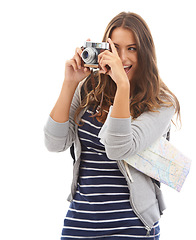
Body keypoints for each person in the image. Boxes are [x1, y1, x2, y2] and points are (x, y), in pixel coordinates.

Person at [44, 12, 180, 239]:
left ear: (145, 52)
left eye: (132, 48)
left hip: (132, 226)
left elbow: (118, 148)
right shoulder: (88, 89)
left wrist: (122, 86)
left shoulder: (161, 102)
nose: (123, 58)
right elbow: (54, 143)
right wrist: (70, 83)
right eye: (115, 48)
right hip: (81, 222)